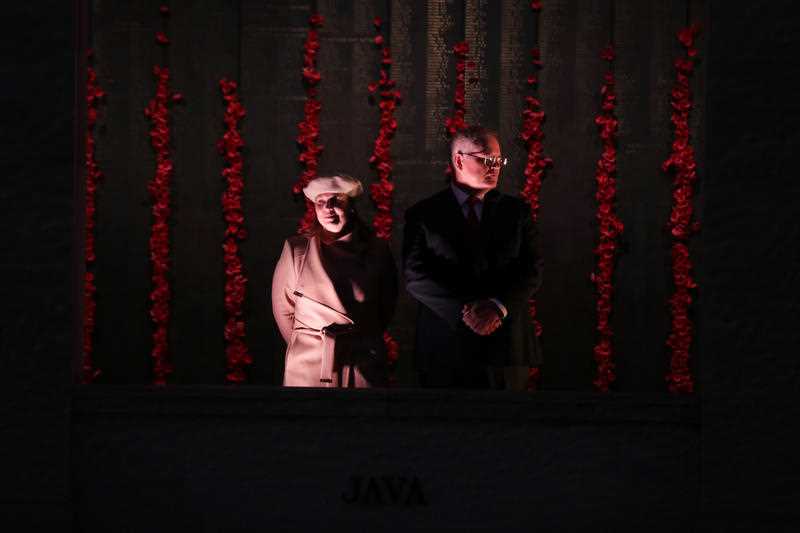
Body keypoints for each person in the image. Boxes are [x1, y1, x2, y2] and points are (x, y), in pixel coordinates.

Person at [402, 126, 543, 390]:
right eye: (486, 159)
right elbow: (414, 274)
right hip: (444, 347)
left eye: (499, 160)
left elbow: (532, 269)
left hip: (507, 347)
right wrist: (464, 313)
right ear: (458, 160)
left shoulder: (517, 212)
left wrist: (497, 308)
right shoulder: (424, 214)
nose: (495, 167)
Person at [272, 174, 398, 388]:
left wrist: (361, 338)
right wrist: (308, 346)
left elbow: (385, 305)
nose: (328, 208)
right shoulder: (297, 249)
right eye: (320, 202)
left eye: (336, 200)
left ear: (351, 206)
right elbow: (283, 310)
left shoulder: (377, 250)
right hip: (309, 364)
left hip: (361, 360)